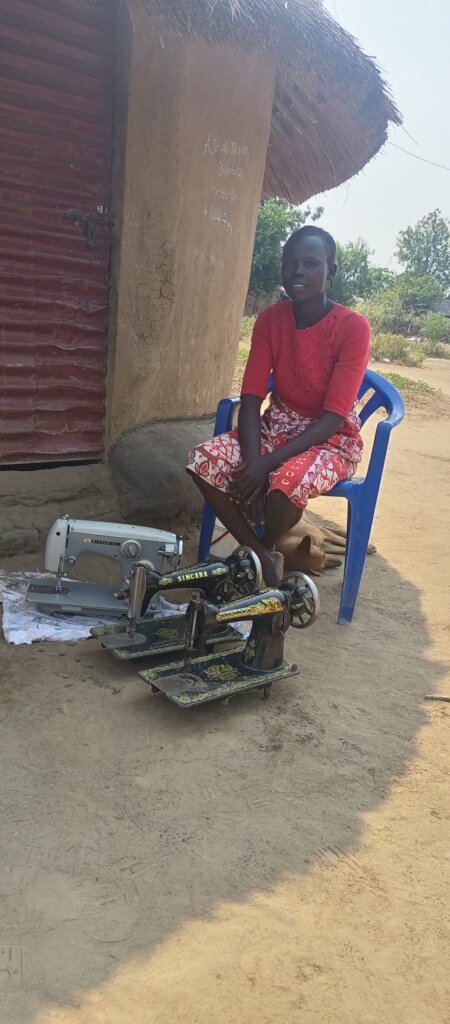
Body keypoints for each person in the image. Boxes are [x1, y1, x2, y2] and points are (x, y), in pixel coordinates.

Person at [187, 225, 371, 586]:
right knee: (201, 460)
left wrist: (265, 466)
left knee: (285, 484)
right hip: (276, 427)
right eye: (291, 262)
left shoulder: (353, 328)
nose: (298, 271)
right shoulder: (271, 320)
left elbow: (334, 417)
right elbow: (253, 396)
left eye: (310, 263)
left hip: (329, 438)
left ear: (330, 272)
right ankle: (260, 556)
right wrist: (255, 461)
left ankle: (263, 549)